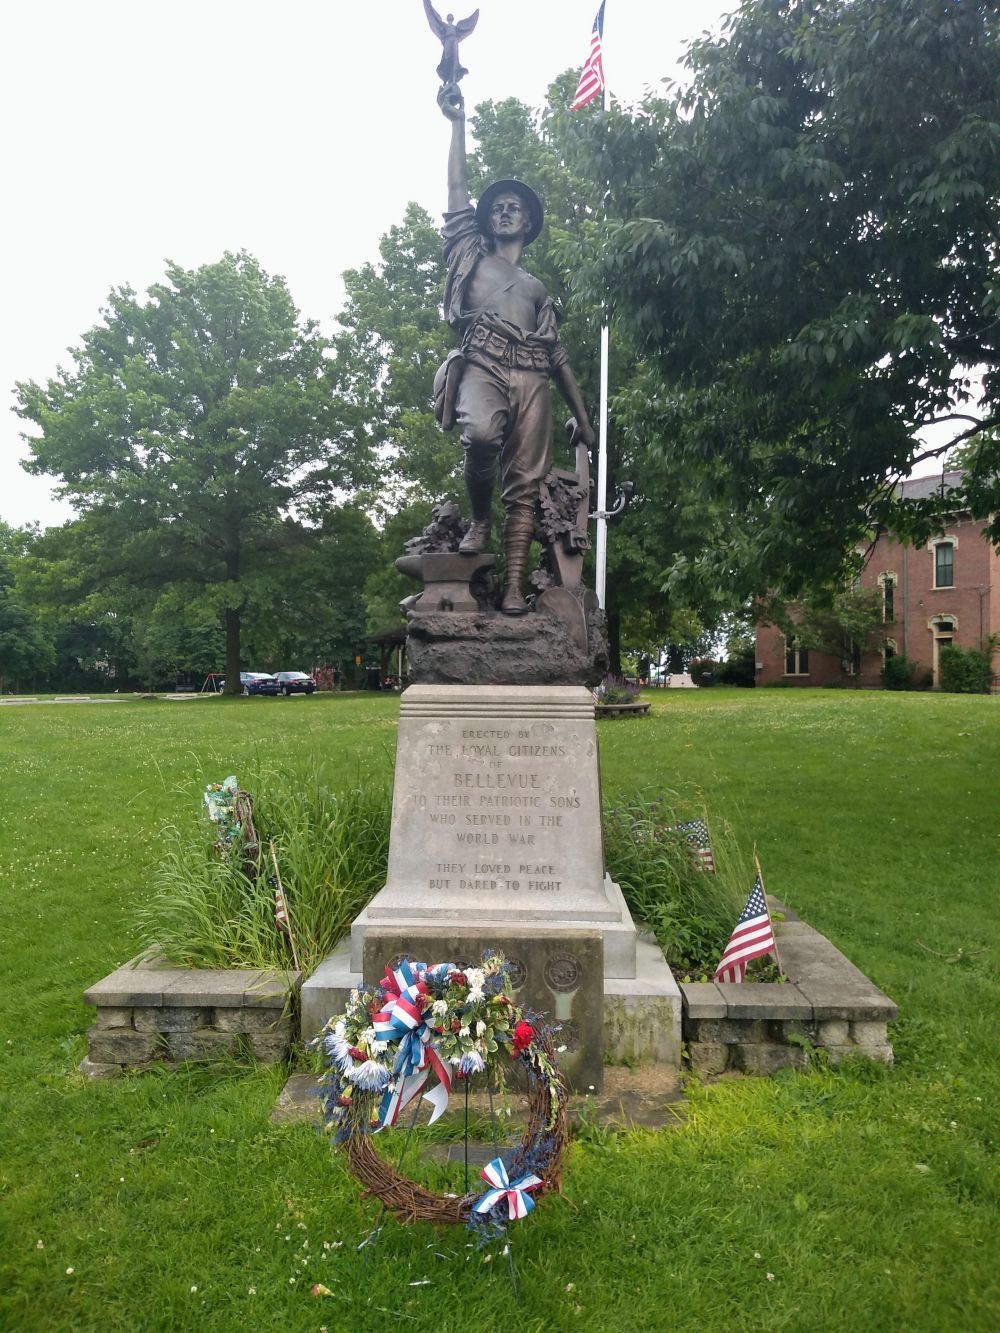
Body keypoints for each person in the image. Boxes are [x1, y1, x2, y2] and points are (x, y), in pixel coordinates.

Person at [437, 84, 596, 615]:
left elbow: (559, 355)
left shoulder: (536, 288)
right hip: (483, 361)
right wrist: (457, 123)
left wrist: (584, 418)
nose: (504, 213)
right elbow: (457, 191)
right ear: (486, 219)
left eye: (514, 209)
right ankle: (480, 518)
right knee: (480, 435)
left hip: (534, 378)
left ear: (527, 222)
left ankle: (511, 586)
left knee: (525, 488)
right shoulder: (469, 254)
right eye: (498, 208)